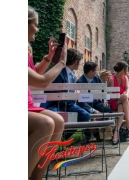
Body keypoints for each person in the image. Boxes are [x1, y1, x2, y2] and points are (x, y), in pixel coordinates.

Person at [28, 6, 66, 179]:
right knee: (46, 124)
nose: (37, 28)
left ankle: (37, 176)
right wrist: (61, 63)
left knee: (58, 120)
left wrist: (49, 58)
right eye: (35, 24)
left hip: (27, 104)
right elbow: (40, 82)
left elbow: (34, 73)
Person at [40, 48, 92, 144]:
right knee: (54, 116)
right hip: (54, 104)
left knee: (85, 115)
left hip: (69, 104)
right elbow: (52, 94)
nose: (80, 64)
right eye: (79, 62)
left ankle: (63, 136)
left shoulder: (72, 73)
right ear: (76, 61)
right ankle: (53, 139)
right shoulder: (59, 72)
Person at [108, 61, 129, 145]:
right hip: (114, 101)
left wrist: (126, 95)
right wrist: (119, 97)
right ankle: (128, 123)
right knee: (123, 101)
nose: (127, 71)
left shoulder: (125, 77)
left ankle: (116, 133)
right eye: (126, 69)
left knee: (121, 107)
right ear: (123, 69)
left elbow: (128, 89)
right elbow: (109, 95)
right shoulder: (111, 79)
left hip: (123, 101)